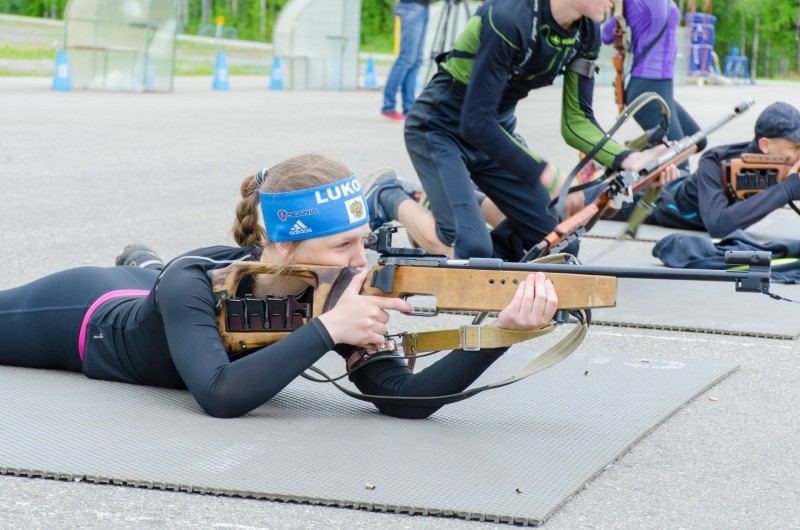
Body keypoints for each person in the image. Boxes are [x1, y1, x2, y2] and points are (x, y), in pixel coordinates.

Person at [0, 154, 558, 420]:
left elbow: (406, 400)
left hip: (167, 292)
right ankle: (145, 263)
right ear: (287, 244)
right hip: (88, 313)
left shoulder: (332, 288)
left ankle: (142, 259)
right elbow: (219, 394)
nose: (360, 260)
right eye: (343, 247)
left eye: (363, 241)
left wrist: (501, 334)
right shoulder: (193, 282)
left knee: (172, 279)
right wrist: (328, 329)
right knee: (169, 278)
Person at [366, 0, 677, 261]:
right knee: (468, 248)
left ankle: (456, 202)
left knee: (556, 244)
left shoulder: (586, 31)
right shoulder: (510, 17)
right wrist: (542, 171)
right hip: (440, 127)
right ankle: (388, 194)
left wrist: (628, 160)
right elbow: (475, 122)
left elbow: (576, 121)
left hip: (494, 133)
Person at [625, 101, 800, 238]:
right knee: (606, 195)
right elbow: (719, 225)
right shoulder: (715, 161)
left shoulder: (783, 168)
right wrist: (786, 190)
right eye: (796, 147)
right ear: (765, 145)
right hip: (656, 201)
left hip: (679, 181)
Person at [601, 0, 707, 171]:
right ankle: (611, 159)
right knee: (679, 163)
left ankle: (620, 154)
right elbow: (606, 36)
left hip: (664, 87)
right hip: (646, 88)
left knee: (697, 140)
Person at [381, 0, 433, 120]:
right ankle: (389, 105)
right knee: (406, 59)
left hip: (422, 6)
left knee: (416, 60)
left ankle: (409, 108)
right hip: (411, 6)